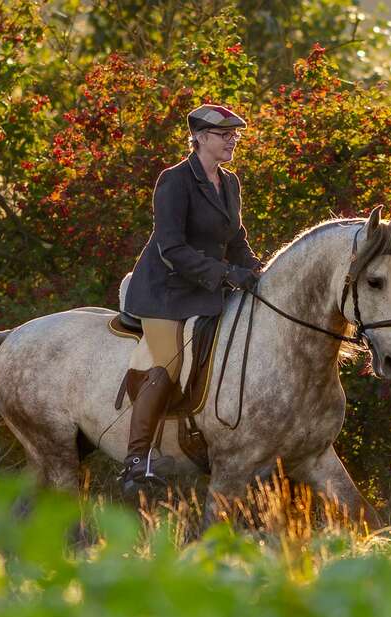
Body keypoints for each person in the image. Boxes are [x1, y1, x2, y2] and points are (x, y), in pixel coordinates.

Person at [119, 104, 263, 495]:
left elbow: (236, 241)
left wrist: (255, 271)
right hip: (164, 290)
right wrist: (225, 275)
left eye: (235, 133)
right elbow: (171, 248)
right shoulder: (174, 180)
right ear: (199, 137)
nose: (232, 139)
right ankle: (136, 461)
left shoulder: (229, 182)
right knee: (169, 361)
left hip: (205, 288)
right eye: (223, 134)